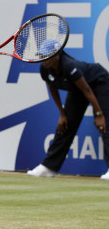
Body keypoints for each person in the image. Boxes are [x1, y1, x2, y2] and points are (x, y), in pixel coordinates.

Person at [27, 39, 109, 180]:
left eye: (46, 55)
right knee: (65, 126)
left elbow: (87, 90)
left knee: (106, 124)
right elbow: (52, 88)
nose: (43, 59)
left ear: (57, 55)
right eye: (41, 55)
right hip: (77, 89)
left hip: (99, 83)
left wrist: (99, 114)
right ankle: (49, 167)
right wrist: (62, 113)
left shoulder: (69, 66)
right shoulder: (44, 69)